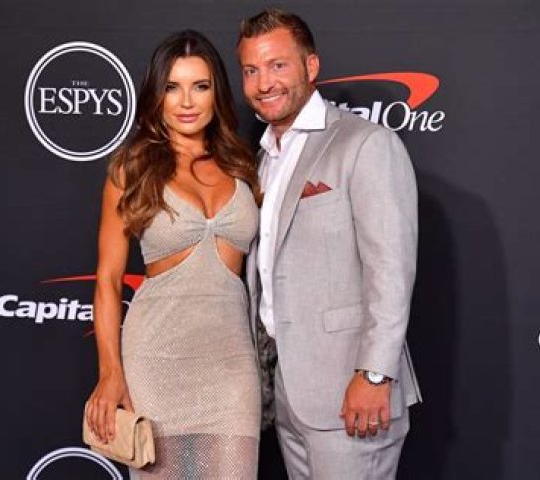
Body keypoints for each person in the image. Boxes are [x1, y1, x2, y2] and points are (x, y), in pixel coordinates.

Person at [238, 9, 422, 479]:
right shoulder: (262, 158)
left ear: (311, 66)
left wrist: (375, 374)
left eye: (278, 65)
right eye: (251, 70)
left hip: (352, 392)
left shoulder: (365, 144)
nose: (264, 83)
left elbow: (391, 271)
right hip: (287, 391)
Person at [85, 30, 261, 479]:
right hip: (156, 359)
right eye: (172, 87)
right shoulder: (132, 169)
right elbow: (108, 280)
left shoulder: (243, 165)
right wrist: (110, 372)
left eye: (200, 86)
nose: (186, 101)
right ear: (156, 95)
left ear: (216, 92)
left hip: (231, 366)